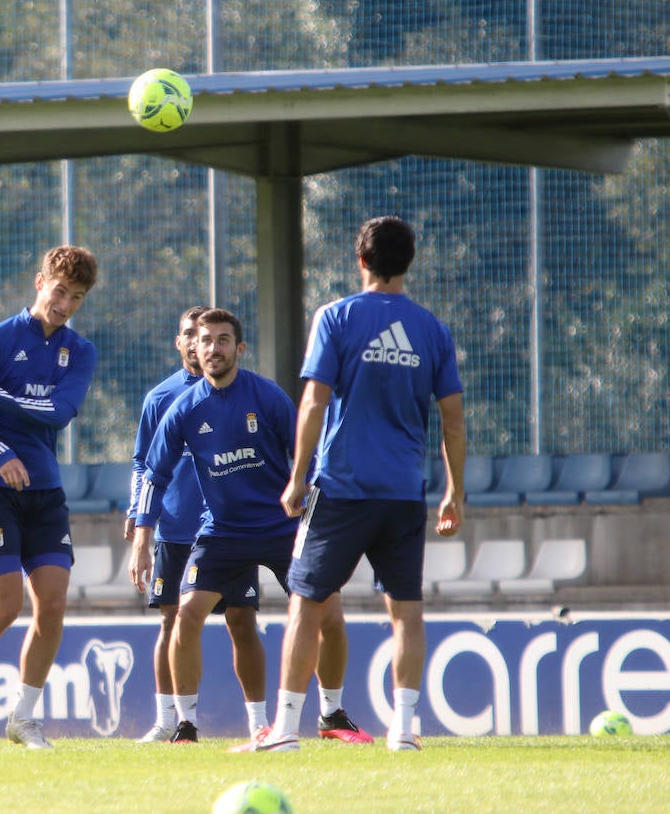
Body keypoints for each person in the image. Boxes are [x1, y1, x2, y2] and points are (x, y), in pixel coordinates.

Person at [244, 215, 465, 753]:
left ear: (360, 260)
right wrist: (455, 492)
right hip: (404, 492)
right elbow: (453, 421)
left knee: (306, 604)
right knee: (406, 612)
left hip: (341, 489)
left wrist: (296, 478)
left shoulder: (336, 317)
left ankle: (287, 731)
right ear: (408, 262)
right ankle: (405, 730)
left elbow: (315, 401)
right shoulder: (432, 329)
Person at [135, 308, 370, 746]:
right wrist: (142, 534)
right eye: (205, 340)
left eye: (222, 340)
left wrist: (310, 498)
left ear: (238, 348)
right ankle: (185, 725)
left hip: (282, 527)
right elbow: (154, 472)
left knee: (331, 617)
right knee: (185, 616)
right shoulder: (183, 408)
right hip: (222, 532)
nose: (212, 348)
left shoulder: (266, 396)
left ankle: (331, 713)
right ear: (193, 347)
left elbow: (309, 450)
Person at [0, 244, 99, 750]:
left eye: (75, 297)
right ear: (39, 282)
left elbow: (59, 413)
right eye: (59, 291)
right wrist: (0, 452)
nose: (65, 303)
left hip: (45, 489)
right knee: (5, 606)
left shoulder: (81, 351)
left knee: (51, 604)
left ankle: (23, 718)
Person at [124, 304, 212, 743]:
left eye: (204, 334)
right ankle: (167, 720)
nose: (196, 341)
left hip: (224, 529)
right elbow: (142, 463)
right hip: (175, 528)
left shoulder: (233, 392)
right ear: (179, 342)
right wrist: (137, 515)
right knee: (169, 623)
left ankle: (263, 721)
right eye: (188, 334)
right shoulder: (160, 398)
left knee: (241, 622)